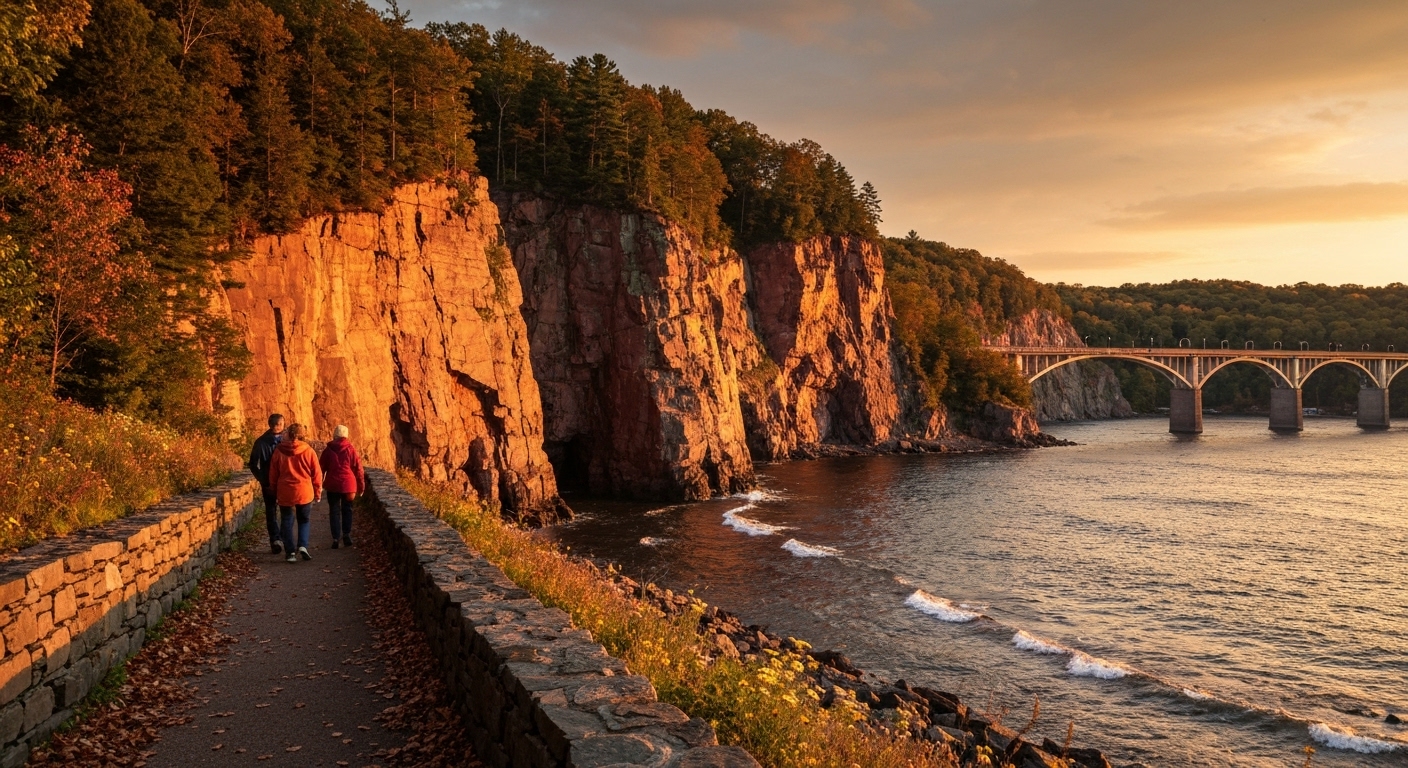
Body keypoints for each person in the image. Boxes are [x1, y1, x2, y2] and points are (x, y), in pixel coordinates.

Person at [266, 422, 322, 563]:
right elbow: (316, 474)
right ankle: (303, 545)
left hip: (285, 491)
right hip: (304, 491)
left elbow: (273, 474)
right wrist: (317, 491)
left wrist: (274, 489)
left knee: (286, 520)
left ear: (288, 434)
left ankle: (290, 552)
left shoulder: (279, 451)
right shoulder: (308, 451)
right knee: (304, 520)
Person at [319, 425, 365, 549]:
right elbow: (358, 469)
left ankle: (335, 538)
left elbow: (321, 468)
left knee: (334, 511)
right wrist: (361, 486)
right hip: (348, 485)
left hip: (332, 484)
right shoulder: (351, 449)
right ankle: (346, 534)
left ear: (335, 435)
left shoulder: (328, 450)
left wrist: (318, 485)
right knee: (347, 509)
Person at [247, 414, 285, 553]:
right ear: (280, 425)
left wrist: (261, 478)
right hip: (283, 481)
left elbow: (252, 464)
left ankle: (275, 539)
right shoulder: (286, 442)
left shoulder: (260, 442)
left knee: (271, 511)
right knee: (285, 511)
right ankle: (283, 539)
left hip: (268, 482)